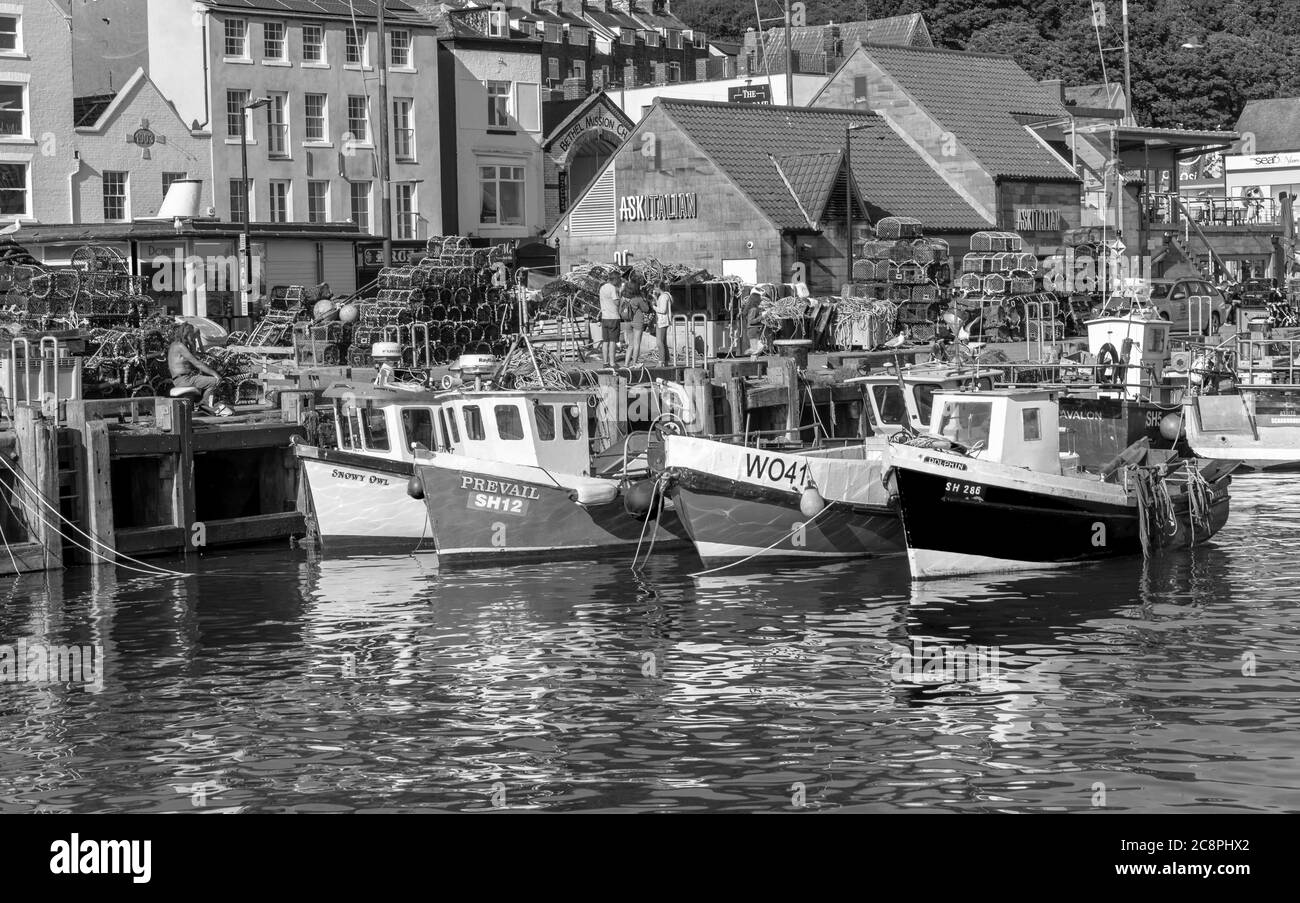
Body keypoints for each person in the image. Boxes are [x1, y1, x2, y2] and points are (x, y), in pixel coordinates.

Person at [168, 323, 232, 416]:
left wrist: (192, 343)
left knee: (203, 380)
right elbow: (196, 363)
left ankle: (201, 404)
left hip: (181, 379)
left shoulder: (175, 345)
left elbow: (194, 357)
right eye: (191, 335)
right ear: (187, 334)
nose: (193, 337)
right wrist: (215, 374)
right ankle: (204, 405)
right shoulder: (180, 346)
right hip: (185, 379)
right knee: (215, 381)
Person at [598, 273, 623, 368]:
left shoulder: (602, 288)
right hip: (613, 317)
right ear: (615, 279)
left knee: (605, 341)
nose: (619, 281)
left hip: (604, 317)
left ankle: (605, 362)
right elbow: (616, 302)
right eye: (619, 280)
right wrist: (621, 296)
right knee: (613, 341)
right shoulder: (612, 288)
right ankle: (612, 362)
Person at [623, 282, 651, 368]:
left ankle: (626, 364)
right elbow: (646, 309)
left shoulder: (625, 298)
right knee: (637, 343)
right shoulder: (638, 298)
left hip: (627, 321)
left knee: (630, 344)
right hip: (637, 321)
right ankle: (634, 363)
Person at [652, 281, 673, 364]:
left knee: (659, 342)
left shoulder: (664, 296)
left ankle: (661, 361)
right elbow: (661, 306)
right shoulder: (664, 296)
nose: (654, 289)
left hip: (662, 321)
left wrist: (653, 307)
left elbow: (663, 310)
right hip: (663, 320)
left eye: (655, 287)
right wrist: (655, 298)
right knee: (663, 342)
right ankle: (666, 360)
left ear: (658, 287)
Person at [744, 289, 765, 356]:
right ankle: (752, 362)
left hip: (753, 331)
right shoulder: (753, 309)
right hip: (753, 330)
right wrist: (762, 316)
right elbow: (751, 321)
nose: (761, 300)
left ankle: (754, 363)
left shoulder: (753, 308)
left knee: (755, 350)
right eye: (759, 298)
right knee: (755, 351)